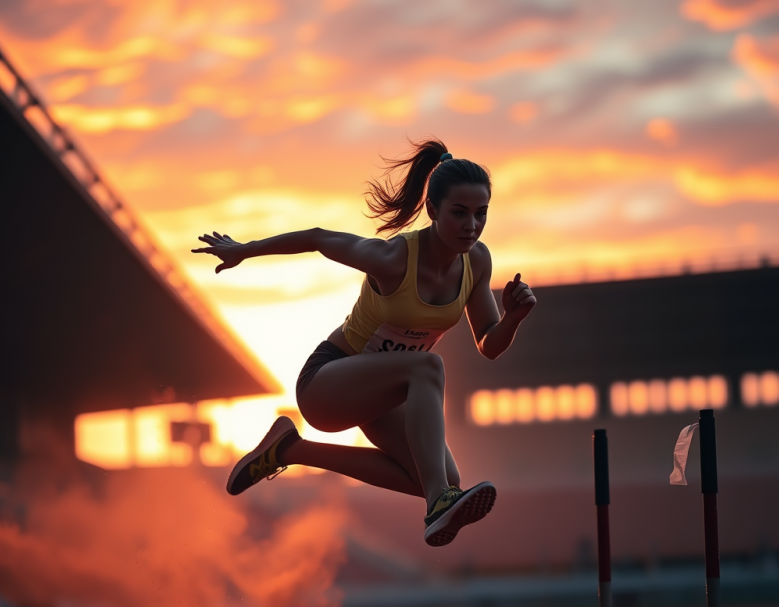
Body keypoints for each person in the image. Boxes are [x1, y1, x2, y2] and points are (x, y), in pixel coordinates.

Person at [192, 139, 536, 547]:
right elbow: (318, 238)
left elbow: (489, 345)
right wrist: (244, 251)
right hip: (327, 384)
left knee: (439, 476)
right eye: (459, 214)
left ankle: (288, 451)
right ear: (433, 211)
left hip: (383, 398)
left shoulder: (477, 262)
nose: (471, 226)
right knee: (429, 369)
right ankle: (440, 503)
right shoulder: (393, 259)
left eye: (481, 215)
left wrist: (512, 318)